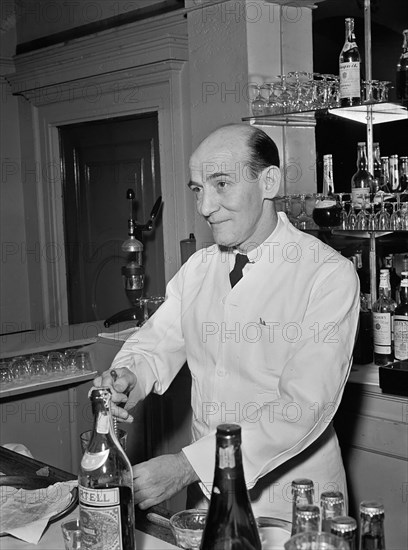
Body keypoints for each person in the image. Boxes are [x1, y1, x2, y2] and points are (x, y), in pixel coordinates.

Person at [94, 123, 360, 520]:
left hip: (291, 502)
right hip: (207, 499)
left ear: (268, 181)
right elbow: (155, 343)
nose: (204, 207)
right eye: (198, 189)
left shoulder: (326, 274)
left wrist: (189, 466)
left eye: (221, 184)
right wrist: (127, 377)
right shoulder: (199, 269)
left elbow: (302, 406)